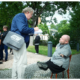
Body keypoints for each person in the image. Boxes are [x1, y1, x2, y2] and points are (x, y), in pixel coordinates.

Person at [11, 7, 39, 80]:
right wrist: (33, 29)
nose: (31, 16)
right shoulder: (21, 16)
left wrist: (31, 32)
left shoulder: (20, 17)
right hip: (19, 41)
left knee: (16, 61)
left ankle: (14, 78)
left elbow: (22, 30)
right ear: (27, 12)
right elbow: (22, 29)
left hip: (16, 41)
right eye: (31, 14)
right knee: (22, 63)